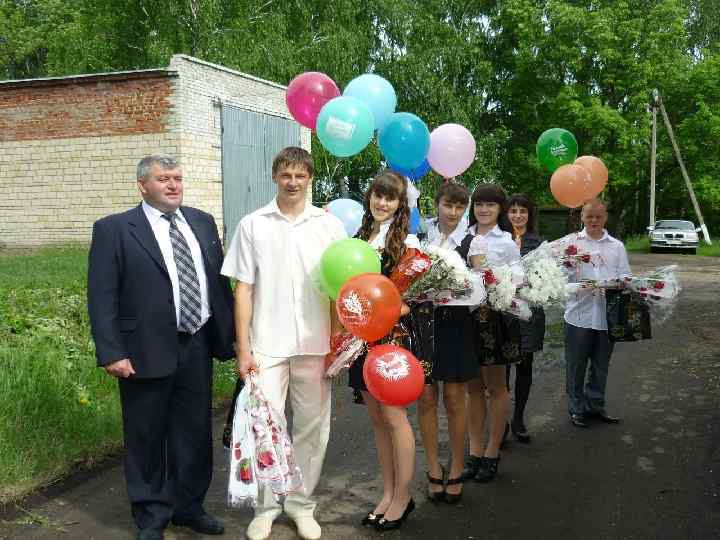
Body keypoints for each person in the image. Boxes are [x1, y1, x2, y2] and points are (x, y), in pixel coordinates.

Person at [87, 155, 235, 540]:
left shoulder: (201, 221)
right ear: (143, 185)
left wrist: (231, 335)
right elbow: (101, 295)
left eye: (177, 178)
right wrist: (112, 351)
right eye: (163, 179)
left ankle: (189, 507)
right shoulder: (115, 229)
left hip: (197, 343)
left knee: (194, 432)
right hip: (143, 349)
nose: (173, 185)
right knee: (146, 435)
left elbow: (217, 283)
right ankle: (151, 516)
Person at [222, 147, 346, 540]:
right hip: (266, 345)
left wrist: (338, 340)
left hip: (315, 342)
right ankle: (266, 508)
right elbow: (243, 290)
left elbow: (340, 287)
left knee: (312, 429)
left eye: (300, 175)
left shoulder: (329, 226)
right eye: (286, 174)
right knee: (265, 428)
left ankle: (301, 505)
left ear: (310, 179)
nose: (293, 182)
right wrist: (243, 349)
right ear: (274, 176)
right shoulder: (253, 224)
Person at [348, 170, 423, 531]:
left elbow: (415, 299)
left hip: (390, 339)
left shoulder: (408, 243)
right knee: (377, 421)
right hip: (360, 339)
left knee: (395, 418)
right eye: (377, 195)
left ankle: (404, 496)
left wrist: (390, 309)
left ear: (400, 204)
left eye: (389, 198)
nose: (382, 203)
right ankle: (388, 493)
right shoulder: (358, 238)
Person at [416, 181, 475, 504]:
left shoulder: (471, 241)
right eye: (447, 205)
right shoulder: (420, 237)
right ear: (436, 204)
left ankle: (457, 465)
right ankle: (432, 467)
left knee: (454, 399)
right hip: (423, 323)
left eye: (459, 207)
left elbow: (481, 285)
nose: (453, 212)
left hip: (457, 325)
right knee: (425, 397)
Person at [462, 184, 521, 483]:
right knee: (472, 389)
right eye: (479, 204)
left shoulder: (506, 242)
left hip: (495, 319)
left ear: (500, 209)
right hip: (465, 319)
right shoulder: (464, 236)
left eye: (490, 205)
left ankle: (492, 451)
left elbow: (518, 278)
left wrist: (497, 281)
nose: (483, 209)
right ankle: (474, 451)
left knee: (496, 388)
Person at [564, 198, 631, 428]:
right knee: (575, 366)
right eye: (589, 216)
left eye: (598, 216)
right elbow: (560, 279)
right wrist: (578, 283)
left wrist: (618, 283)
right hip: (578, 316)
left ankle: (595, 406)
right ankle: (576, 409)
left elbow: (625, 275)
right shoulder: (571, 244)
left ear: (605, 217)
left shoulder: (617, 246)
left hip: (606, 317)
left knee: (601, 365)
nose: (594, 220)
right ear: (582, 216)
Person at [506, 193, 546, 443]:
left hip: (530, 314)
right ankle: (499, 423)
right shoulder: (498, 239)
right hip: (503, 313)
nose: (518, 216)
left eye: (523, 211)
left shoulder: (539, 243)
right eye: (513, 211)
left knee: (524, 367)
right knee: (500, 370)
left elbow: (546, 276)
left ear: (530, 215)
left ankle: (518, 418)